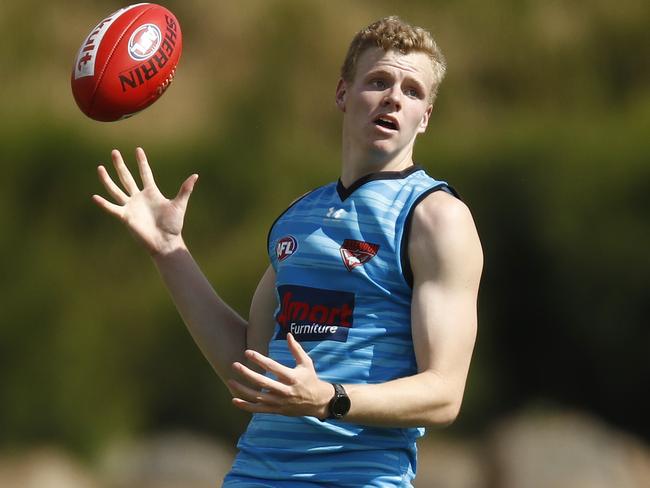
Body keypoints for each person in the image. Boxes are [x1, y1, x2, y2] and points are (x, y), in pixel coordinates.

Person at [93, 16, 483, 488]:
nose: (394, 97)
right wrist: (170, 251)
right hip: (255, 474)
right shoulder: (300, 218)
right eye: (378, 81)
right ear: (343, 94)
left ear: (425, 117)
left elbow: (445, 394)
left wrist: (329, 398)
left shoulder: (437, 218)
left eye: (412, 90)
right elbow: (250, 367)